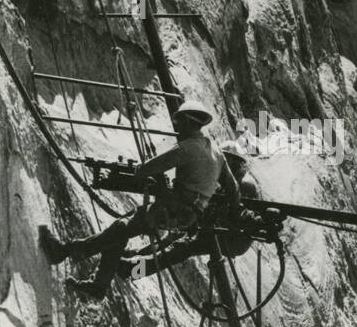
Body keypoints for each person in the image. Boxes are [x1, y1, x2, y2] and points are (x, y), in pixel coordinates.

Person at [39, 101, 240, 300]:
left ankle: (67, 252)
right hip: (187, 215)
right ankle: (101, 283)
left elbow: (146, 169)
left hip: (172, 211)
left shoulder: (188, 148)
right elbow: (234, 190)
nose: (177, 129)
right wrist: (232, 211)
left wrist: (139, 175)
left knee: (124, 231)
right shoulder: (216, 151)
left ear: (188, 122)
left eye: (178, 124)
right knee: (125, 233)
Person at [111, 141, 261, 280]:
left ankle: (132, 269)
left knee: (181, 249)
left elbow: (236, 215)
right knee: (172, 239)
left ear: (238, 163)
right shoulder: (226, 181)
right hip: (219, 229)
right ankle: (135, 256)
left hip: (233, 238)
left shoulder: (245, 185)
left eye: (230, 162)